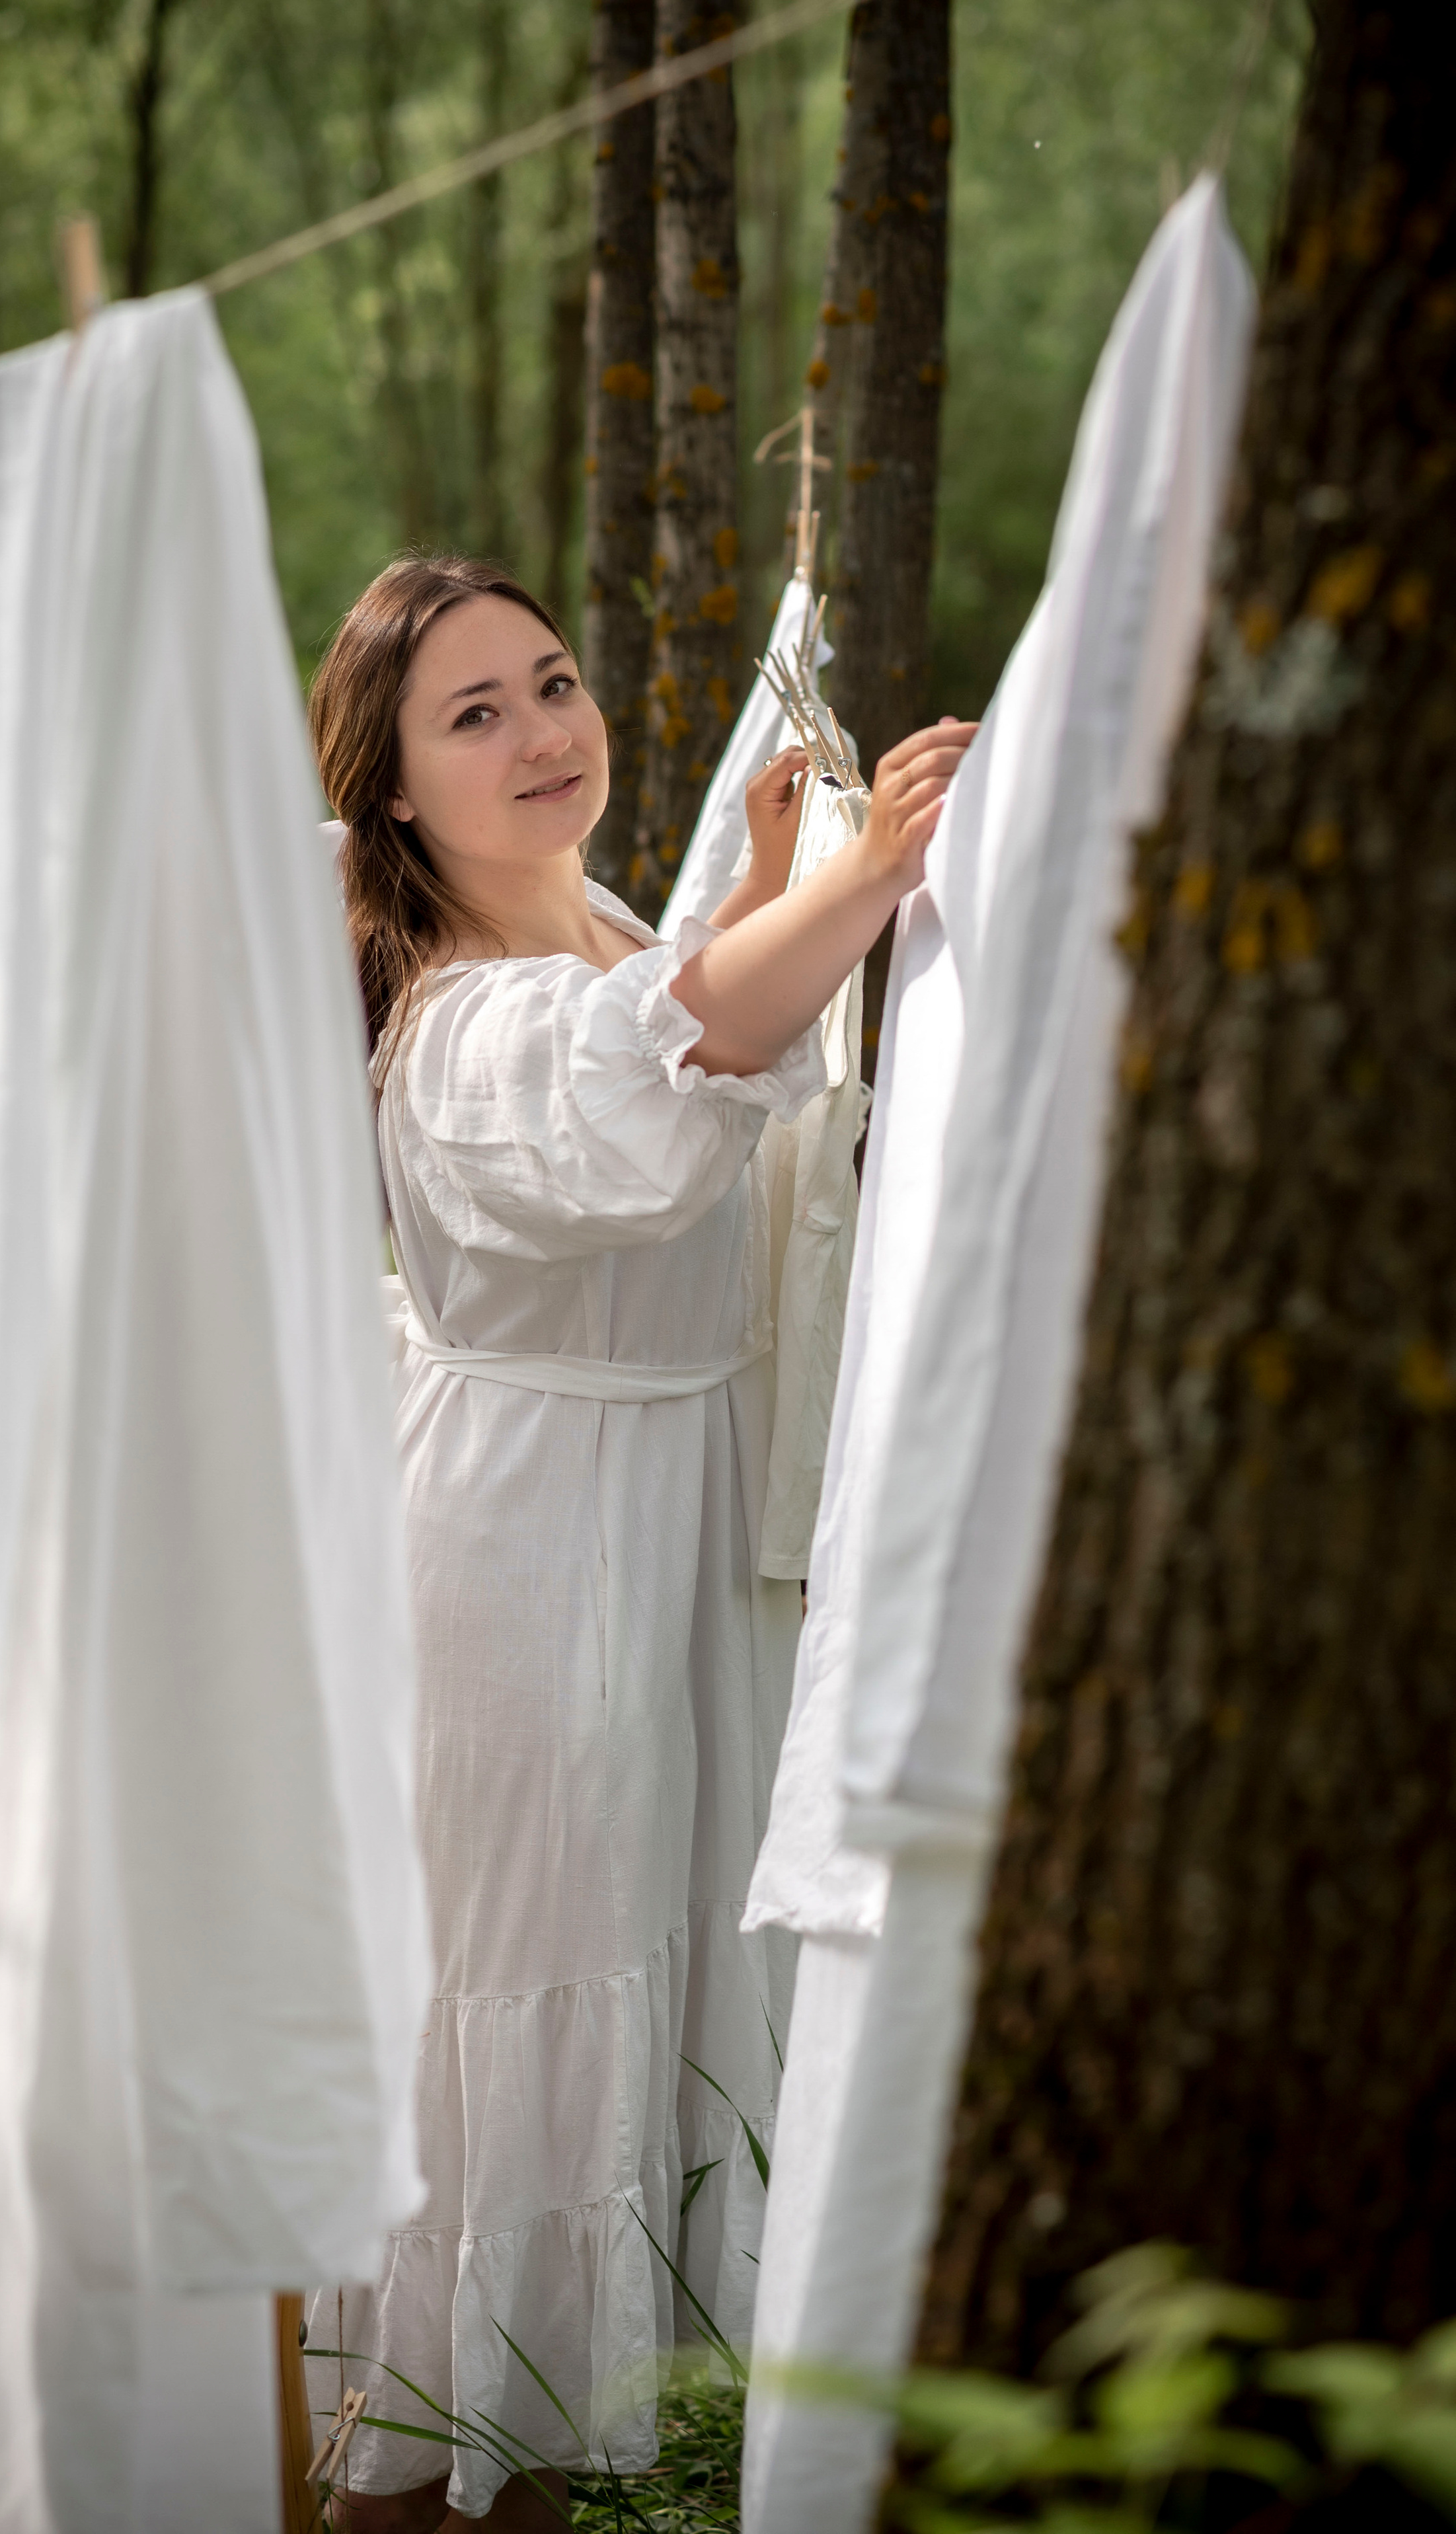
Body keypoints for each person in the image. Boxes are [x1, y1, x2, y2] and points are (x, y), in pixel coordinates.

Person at [309, 555, 973, 2531]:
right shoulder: (445, 1018)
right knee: (528, 2027)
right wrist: (862, 883)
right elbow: (656, 1064)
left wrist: (778, 885)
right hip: (530, 1561)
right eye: (476, 715)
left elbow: (677, 998)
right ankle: (420, 2492)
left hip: (655, 1529)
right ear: (397, 789)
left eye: (553, 680)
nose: (544, 729)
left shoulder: (595, 915)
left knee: (627, 1985)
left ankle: (514, 2472)